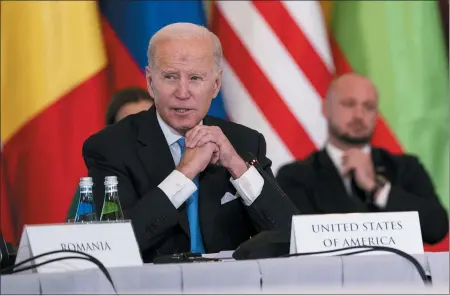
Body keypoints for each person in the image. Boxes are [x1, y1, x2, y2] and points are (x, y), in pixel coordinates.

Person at [82, 23, 299, 262]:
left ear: (216, 85)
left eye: (195, 78)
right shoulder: (110, 147)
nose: (182, 92)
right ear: (150, 82)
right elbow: (114, 244)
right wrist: (184, 174)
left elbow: (292, 236)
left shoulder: (244, 142)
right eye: (170, 77)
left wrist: (238, 169)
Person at [276, 73, 448, 245]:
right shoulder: (295, 176)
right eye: (349, 104)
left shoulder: (406, 168)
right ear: (325, 108)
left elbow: (436, 228)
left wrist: (377, 189)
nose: (359, 115)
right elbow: (293, 239)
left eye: (369, 106)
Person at [67, 87, 153, 220]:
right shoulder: (95, 183)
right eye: (129, 127)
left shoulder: (178, 171)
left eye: (147, 125)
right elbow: (77, 235)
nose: (140, 135)